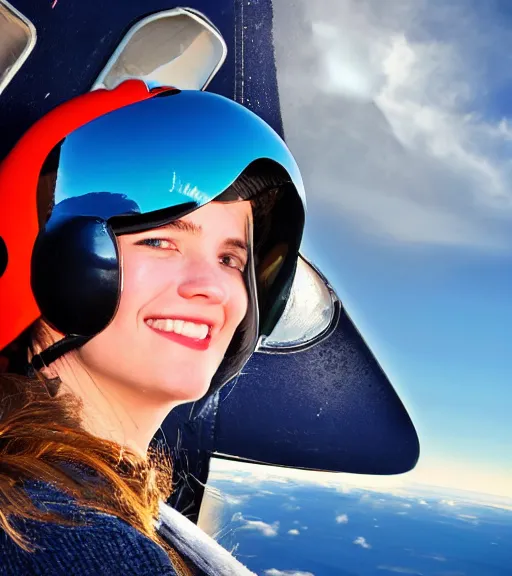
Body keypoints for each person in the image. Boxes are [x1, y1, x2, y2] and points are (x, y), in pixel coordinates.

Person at [0, 79, 306, 575]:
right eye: (161, 241)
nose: (214, 287)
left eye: (231, 258)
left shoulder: (86, 503)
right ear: (54, 260)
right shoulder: (61, 540)